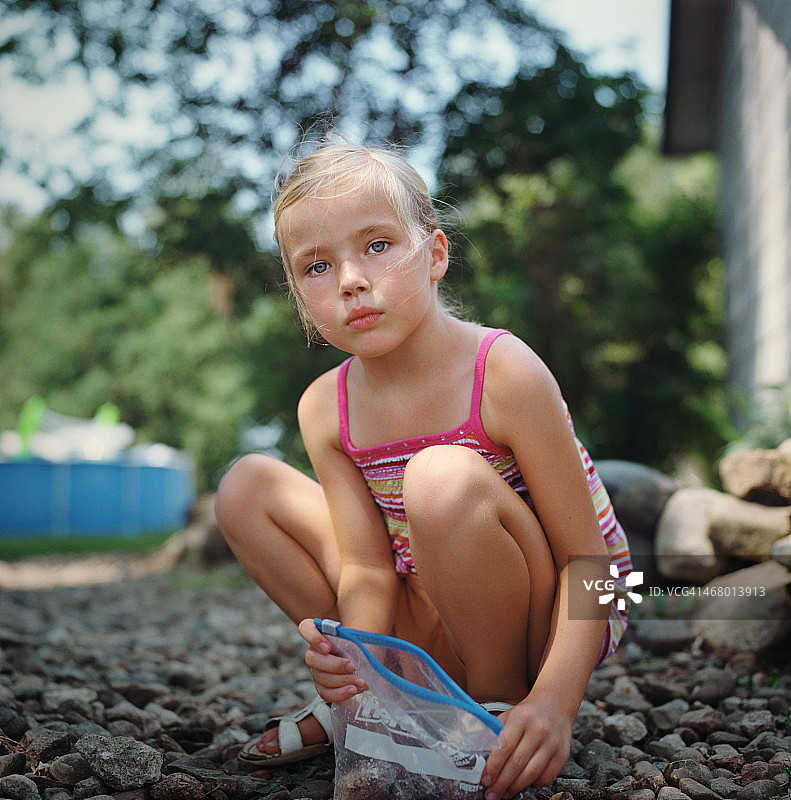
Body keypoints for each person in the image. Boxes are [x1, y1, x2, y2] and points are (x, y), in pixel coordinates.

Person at [214, 139, 634, 800]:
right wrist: (358, 659)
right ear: (298, 296)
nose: (351, 279)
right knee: (246, 487)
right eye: (316, 266)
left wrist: (556, 701)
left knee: (439, 479)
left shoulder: (502, 372)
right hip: (428, 603)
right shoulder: (326, 408)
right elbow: (368, 567)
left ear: (434, 254)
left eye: (377, 246)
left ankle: (491, 711)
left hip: (542, 618)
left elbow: (594, 568)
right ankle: (381, 700)